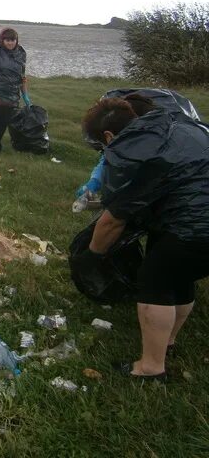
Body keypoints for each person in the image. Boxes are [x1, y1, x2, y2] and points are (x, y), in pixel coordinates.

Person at [79, 97, 209, 380]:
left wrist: (93, 256)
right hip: (196, 219)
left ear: (109, 136)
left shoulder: (132, 152)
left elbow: (113, 219)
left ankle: (150, 368)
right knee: (180, 275)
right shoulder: (173, 123)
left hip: (195, 226)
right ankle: (168, 340)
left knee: (155, 283)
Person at [75, 89, 202, 199]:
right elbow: (110, 155)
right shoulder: (159, 129)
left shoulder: (155, 146)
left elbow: (117, 215)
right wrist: (96, 180)